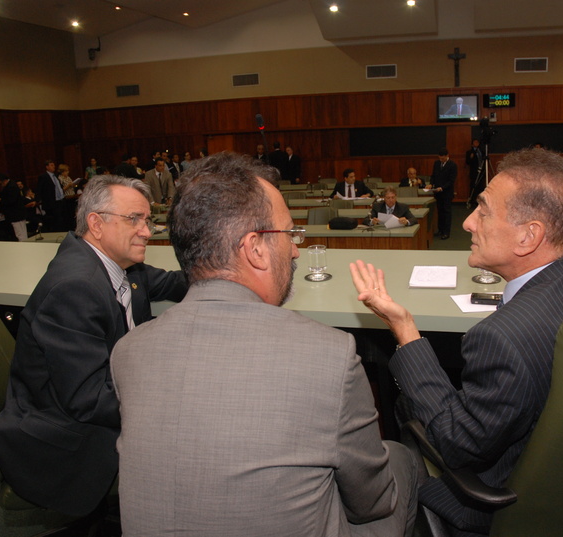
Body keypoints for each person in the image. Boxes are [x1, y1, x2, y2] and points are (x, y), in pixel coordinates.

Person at [110, 151, 417, 537]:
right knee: (402, 459)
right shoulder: (330, 356)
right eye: (289, 234)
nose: (295, 249)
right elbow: (373, 502)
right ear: (255, 248)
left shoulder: (128, 352)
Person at [350, 148, 563, 536]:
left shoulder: (504, 338)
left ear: (529, 236)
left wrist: (404, 328)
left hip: (512, 499)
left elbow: (457, 443)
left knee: (406, 406)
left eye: (482, 211)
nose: (467, 223)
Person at [0, 175, 189, 517]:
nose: (147, 231)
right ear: (96, 224)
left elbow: (171, 282)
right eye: (134, 219)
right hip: (71, 437)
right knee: (196, 433)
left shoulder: (120, 264)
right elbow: (89, 400)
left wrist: (231, 274)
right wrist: (172, 393)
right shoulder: (75, 288)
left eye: (147, 220)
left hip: (103, 395)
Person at [430, 148, 456, 239]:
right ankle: (440, 230)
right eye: (440, 158)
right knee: (440, 211)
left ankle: (446, 232)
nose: (441, 160)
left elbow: (451, 181)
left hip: (447, 192)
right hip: (438, 193)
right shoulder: (436, 163)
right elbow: (433, 175)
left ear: (447, 156)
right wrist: (431, 184)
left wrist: (442, 188)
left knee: (447, 212)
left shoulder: (452, 165)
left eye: (443, 158)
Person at [0, 173, 28, 241]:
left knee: (20, 233)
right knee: (22, 232)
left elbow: (11, 200)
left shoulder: (11, 187)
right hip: (17, 214)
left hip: (16, 214)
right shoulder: (11, 185)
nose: (0, 185)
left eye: (0, 184)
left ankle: (24, 246)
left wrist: (1, 200)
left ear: (4, 181)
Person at [36, 159, 67, 231]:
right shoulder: (43, 177)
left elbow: (59, 187)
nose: (54, 166)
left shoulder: (56, 176)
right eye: (51, 165)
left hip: (60, 200)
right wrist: (38, 199)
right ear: (47, 167)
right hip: (51, 202)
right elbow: (39, 189)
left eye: (54, 165)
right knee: (55, 220)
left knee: (62, 219)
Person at [465, 138, 484, 206]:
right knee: (473, 186)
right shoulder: (469, 152)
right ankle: (472, 201)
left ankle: (481, 200)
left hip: (481, 171)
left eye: (477, 142)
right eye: (475, 142)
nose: (476, 143)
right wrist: (471, 157)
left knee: (481, 186)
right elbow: (467, 162)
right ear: (472, 144)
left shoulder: (482, 151)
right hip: (474, 172)